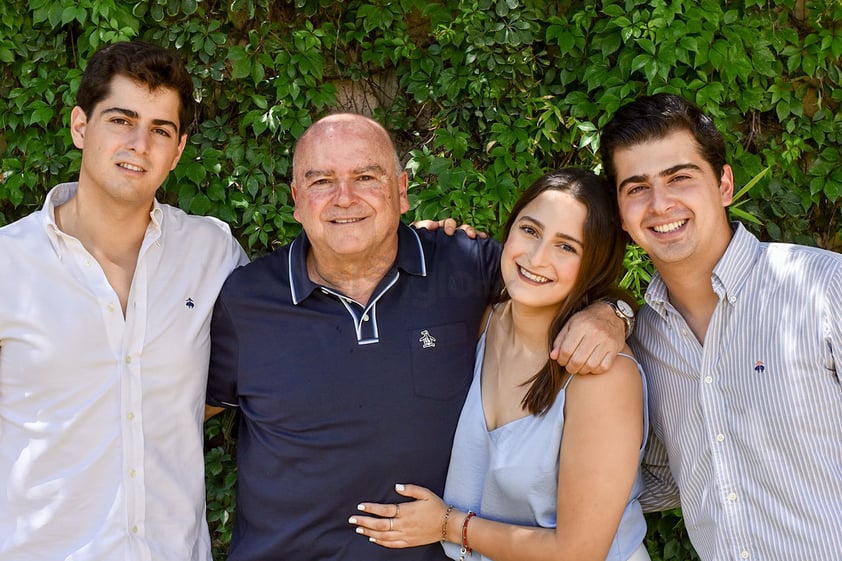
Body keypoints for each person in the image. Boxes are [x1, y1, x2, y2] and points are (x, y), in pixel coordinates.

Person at [206, 114, 629, 561]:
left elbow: (561, 279)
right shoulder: (246, 299)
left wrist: (614, 311)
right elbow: (178, 414)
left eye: (366, 177)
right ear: (296, 199)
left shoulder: (463, 267)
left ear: (402, 191)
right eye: (321, 181)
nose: (344, 199)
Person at [0, 41, 247, 560]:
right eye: (121, 119)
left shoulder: (212, 253)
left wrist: (397, 250)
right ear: (80, 127)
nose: (140, 143)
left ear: (178, 151)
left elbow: (295, 323)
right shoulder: (8, 265)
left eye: (161, 129)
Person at [349, 168, 651, 561]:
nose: (537, 257)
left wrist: (447, 524)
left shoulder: (601, 375)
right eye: (530, 230)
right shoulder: (477, 322)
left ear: (594, 264)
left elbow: (579, 552)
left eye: (566, 247)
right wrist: (425, 245)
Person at [599, 93, 842, 560]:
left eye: (680, 178)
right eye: (636, 188)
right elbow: (664, 480)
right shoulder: (641, 345)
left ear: (724, 184)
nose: (660, 204)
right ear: (620, 215)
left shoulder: (823, 289)